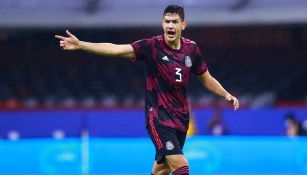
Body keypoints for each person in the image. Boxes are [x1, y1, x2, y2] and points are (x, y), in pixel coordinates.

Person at [55, 4, 239, 175]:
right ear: (162, 24)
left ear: (183, 25)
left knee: (162, 170)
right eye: (167, 21)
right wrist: (81, 45)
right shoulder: (152, 46)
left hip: (181, 118)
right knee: (182, 167)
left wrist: (226, 94)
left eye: (174, 22)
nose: (170, 25)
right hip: (158, 117)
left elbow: (206, 78)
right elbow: (117, 50)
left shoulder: (191, 49)